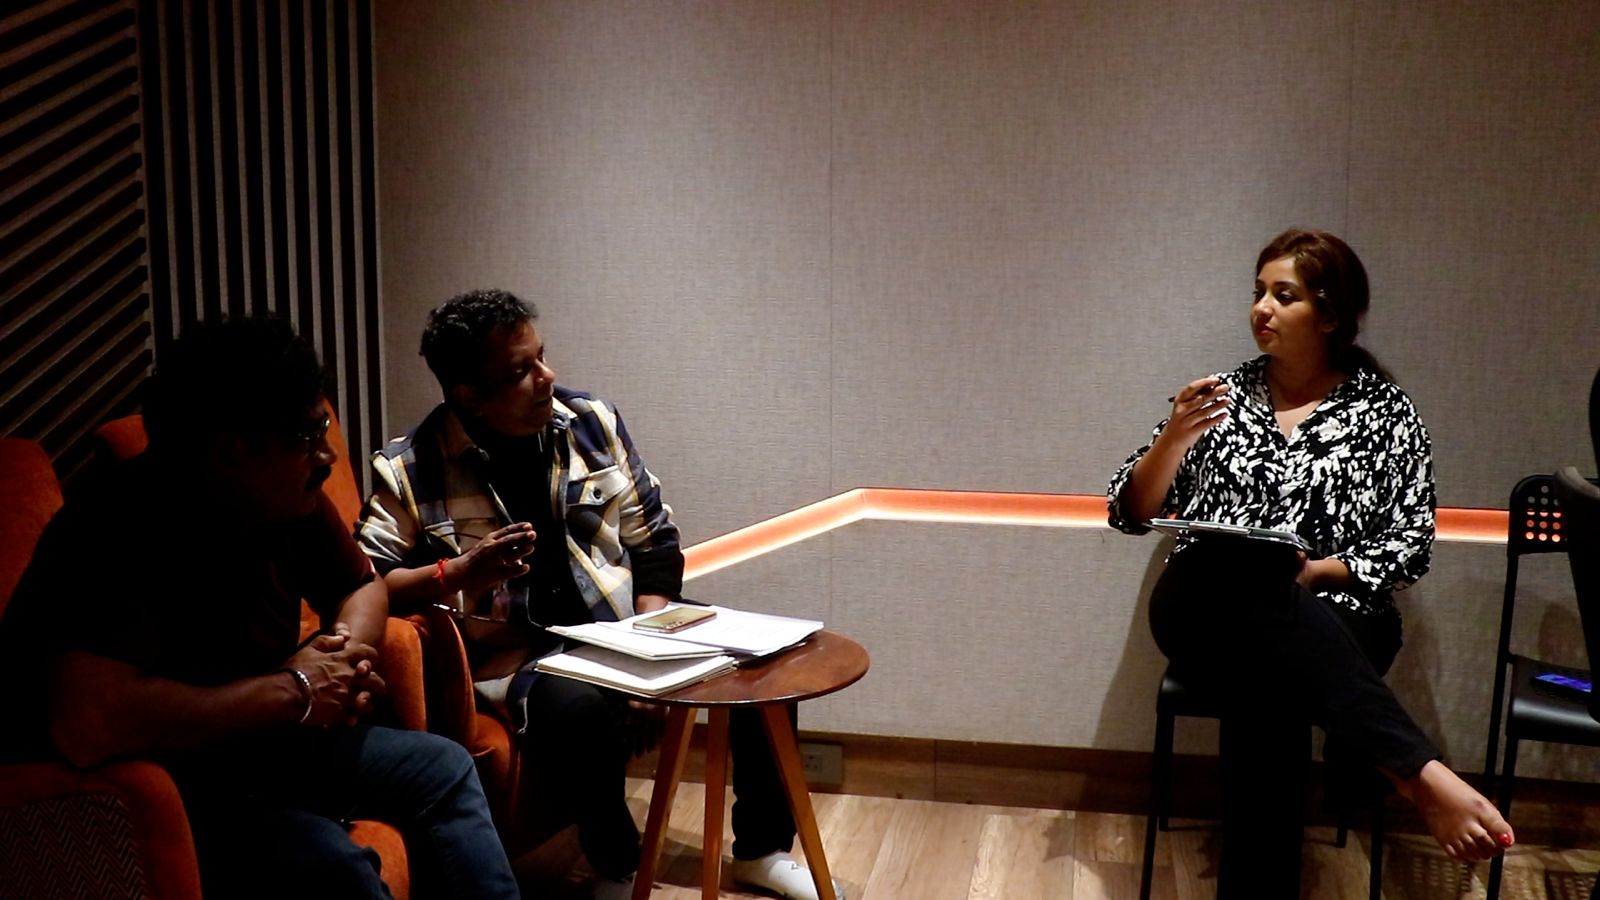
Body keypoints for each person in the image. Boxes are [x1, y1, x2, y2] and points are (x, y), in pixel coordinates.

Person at [0, 317, 520, 900]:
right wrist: (296, 690)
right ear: (230, 452)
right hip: (153, 786)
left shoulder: (284, 497)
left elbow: (363, 587)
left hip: (254, 744)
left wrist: (339, 659)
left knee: (443, 769)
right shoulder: (113, 531)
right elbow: (88, 723)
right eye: (308, 436)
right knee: (334, 869)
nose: (328, 455)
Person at [356, 289, 841, 900]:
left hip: (625, 625)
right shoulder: (410, 468)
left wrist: (648, 644)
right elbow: (365, 582)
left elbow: (655, 539)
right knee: (575, 706)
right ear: (470, 396)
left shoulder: (589, 422)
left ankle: (762, 850)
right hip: (524, 655)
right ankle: (617, 865)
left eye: (542, 356)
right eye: (522, 370)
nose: (546, 376)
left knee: (764, 661)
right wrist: (458, 572)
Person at [1106, 228, 1513, 897]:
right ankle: (1416, 771)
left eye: (1283, 295)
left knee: (1268, 687)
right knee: (1240, 585)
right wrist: (1175, 437)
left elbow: (1410, 543)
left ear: (1329, 315)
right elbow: (1129, 511)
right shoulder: (1217, 397)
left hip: (1337, 611)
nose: (1261, 308)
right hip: (1204, 603)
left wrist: (1317, 572)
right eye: (1258, 292)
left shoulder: (1384, 411)